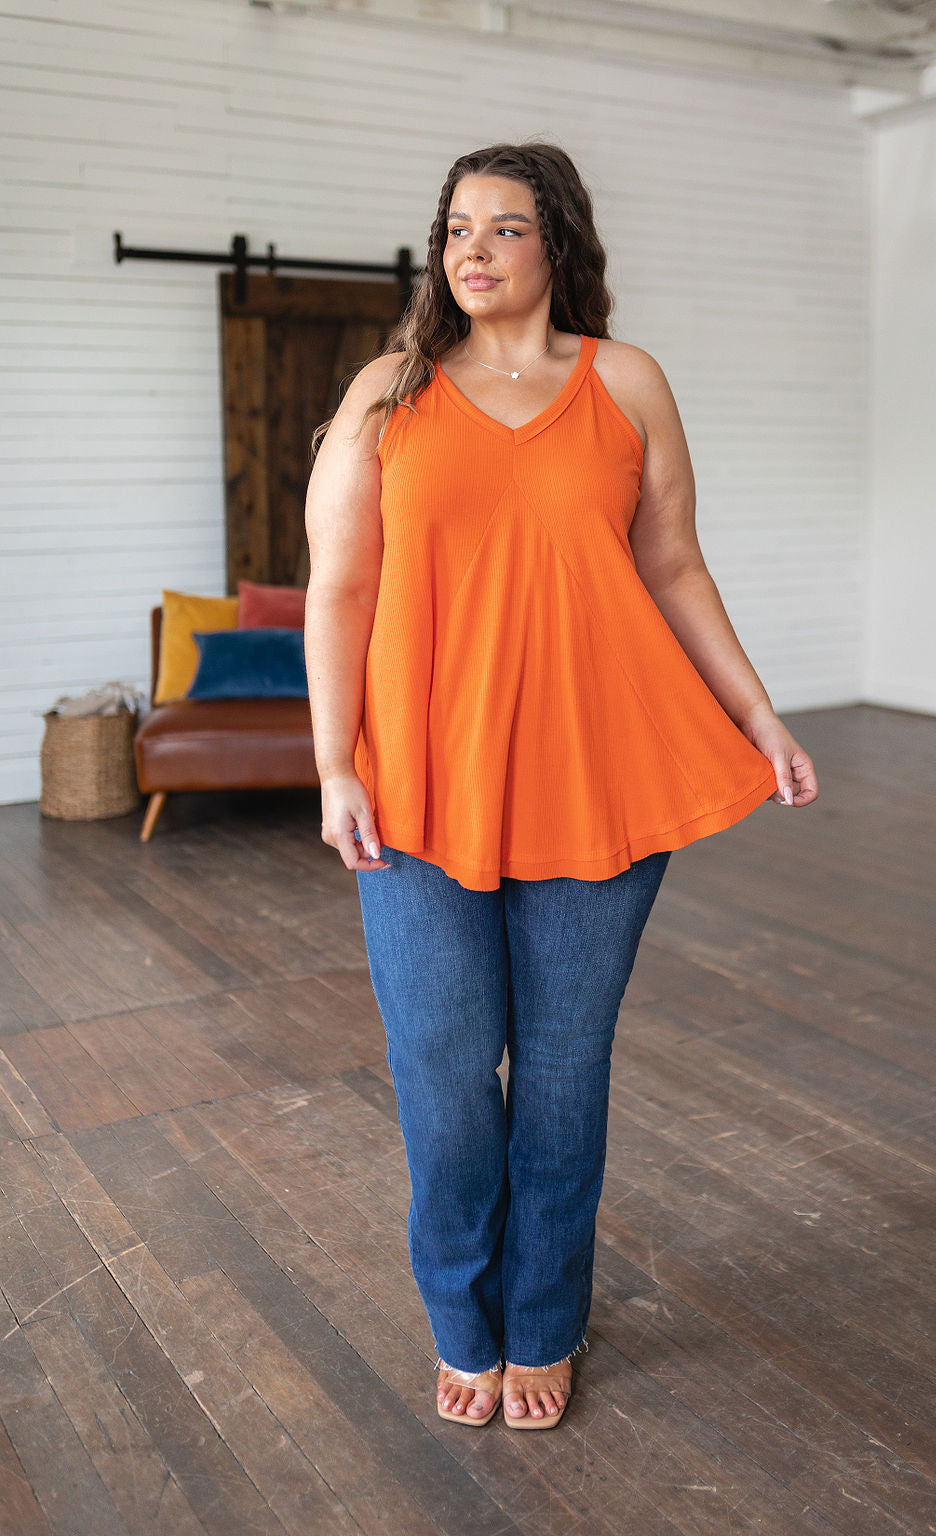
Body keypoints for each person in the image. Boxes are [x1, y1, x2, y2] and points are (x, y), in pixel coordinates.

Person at [304, 141, 819, 1431]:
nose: (472, 250)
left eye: (505, 227)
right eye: (455, 229)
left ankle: (542, 1323)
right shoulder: (388, 392)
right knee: (442, 1078)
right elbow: (341, 588)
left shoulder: (625, 382)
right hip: (421, 783)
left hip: (598, 774)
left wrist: (759, 713)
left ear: (558, 243)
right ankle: (459, 1319)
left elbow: (674, 565)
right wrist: (333, 763)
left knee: (563, 1078)